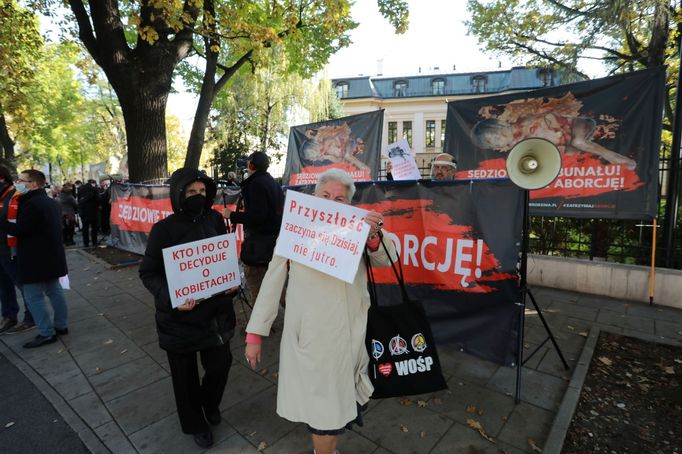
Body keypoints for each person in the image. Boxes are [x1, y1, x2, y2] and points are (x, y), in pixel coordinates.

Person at [244, 168, 397, 454]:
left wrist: (374, 236)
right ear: (314, 197)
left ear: (349, 205)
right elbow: (272, 280)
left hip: (352, 335)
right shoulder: (295, 230)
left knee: (341, 402)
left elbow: (388, 258)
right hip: (312, 339)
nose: (331, 201)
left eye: (340, 198)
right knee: (324, 415)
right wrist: (255, 332)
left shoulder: (360, 229)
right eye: (325, 195)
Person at [139, 168, 238, 449]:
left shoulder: (216, 219)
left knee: (221, 365)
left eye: (202, 192)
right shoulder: (164, 229)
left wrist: (233, 280)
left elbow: (224, 258)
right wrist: (173, 297)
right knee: (184, 378)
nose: (198, 196)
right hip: (179, 318)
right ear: (179, 194)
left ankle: (210, 404)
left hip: (216, 314)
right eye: (191, 192)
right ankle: (196, 424)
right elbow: (149, 273)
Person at [0, 169, 68, 348]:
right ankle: (61, 326)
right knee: (55, 291)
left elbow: (21, 230)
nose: (18, 184)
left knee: (33, 297)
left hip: (35, 259)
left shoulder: (31, 204)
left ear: (34, 184)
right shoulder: (48, 201)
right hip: (51, 256)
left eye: (22, 181)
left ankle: (46, 333)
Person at [223, 152, 284, 303]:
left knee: (259, 294)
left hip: (258, 249)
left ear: (251, 166)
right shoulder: (273, 183)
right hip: (274, 245)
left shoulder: (255, 184)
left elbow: (257, 217)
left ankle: (260, 325)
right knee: (278, 289)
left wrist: (232, 215)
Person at [0, 166, 35, 334]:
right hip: (1, 249)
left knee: (23, 285)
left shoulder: (16, 196)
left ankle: (31, 317)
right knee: (3, 286)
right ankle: (9, 316)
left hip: (12, 249)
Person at [77, 179, 100, 247]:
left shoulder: (80, 189)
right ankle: (94, 242)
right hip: (93, 211)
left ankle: (86, 243)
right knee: (94, 228)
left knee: (85, 228)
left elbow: (79, 200)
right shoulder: (94, 189)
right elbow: (98, 199)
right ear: (92, 183)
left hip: (84, 211)